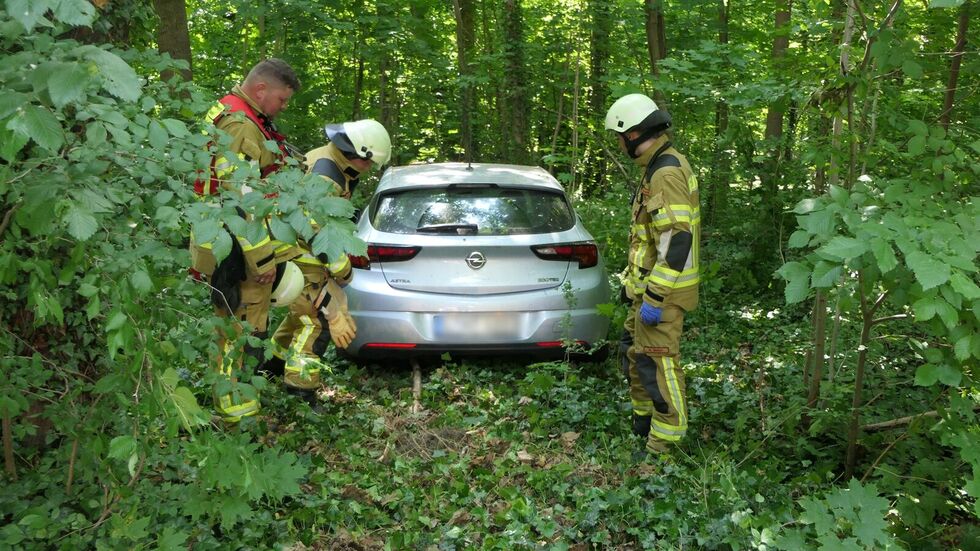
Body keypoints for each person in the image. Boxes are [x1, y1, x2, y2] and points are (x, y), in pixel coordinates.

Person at [188, 58, 301, 423]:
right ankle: (235, 409)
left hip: (223, 237)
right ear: (261, 89)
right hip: (236, 245)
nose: (283, 107)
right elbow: (241, 200)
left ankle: (240, 396)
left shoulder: (235, 112)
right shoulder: (241, 126)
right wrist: (263, 260)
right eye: (282, 99)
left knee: (241, 321)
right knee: (240, 324)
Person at [267, 119, 392, 404]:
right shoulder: (326, 178)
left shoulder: (331, 161)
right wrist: (342, 270)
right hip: (296, 252)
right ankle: (301, 393)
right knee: (317, 323)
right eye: (368, 162)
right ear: (356, 151)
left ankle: (271, 367)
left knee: (299, 315)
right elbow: (316, 233)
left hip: (292, 249)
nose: (368, 168)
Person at [604, 93, 700, 458]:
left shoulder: (666, 173)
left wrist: (656, 297)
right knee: (638, 357)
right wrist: (633, 288)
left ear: (633, 134)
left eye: (620, 137)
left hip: (664, 295)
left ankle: (663, 448)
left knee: (659, 365)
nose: (619, 144)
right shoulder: (656, 166)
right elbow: (649, 237)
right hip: (647, 291)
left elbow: (677, 240)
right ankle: (643, 426)